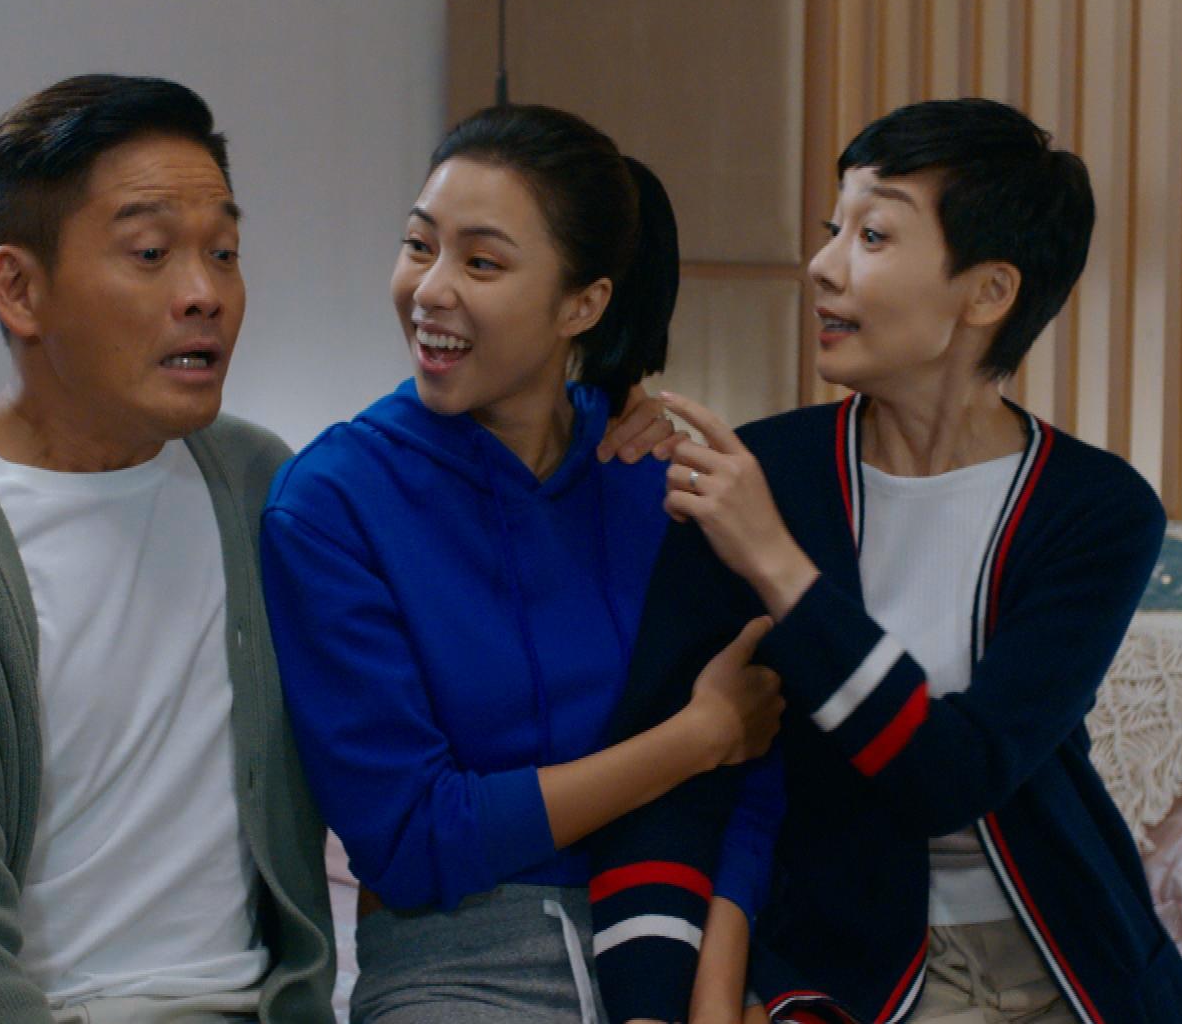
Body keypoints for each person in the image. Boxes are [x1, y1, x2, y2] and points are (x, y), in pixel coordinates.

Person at [590, 98, 1182, 1024]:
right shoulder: (761, 473)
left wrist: (778, 565)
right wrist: (652, 1006)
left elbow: (955, 775)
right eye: (832, 229)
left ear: (987, 293)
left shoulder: (1096, 511)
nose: (823, 266)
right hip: (845, 967)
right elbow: (667, 780)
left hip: (1069, 961)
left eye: (872, 236)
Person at [0, 75, 335, 1024]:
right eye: (151, 253)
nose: (205, 294)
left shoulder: (258, 484)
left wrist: (596, 409)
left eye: (224, 252)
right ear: (19, 289)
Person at [260, 103, 787, 1024]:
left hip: (685, 934)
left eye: (481, 262)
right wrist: (693, 739)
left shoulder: (658, 478)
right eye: (419, 246)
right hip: (459, 969)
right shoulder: (332, 503)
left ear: (583, 303)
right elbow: (409, 840)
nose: (430, 289)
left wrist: (718, 983)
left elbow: (760, 753)